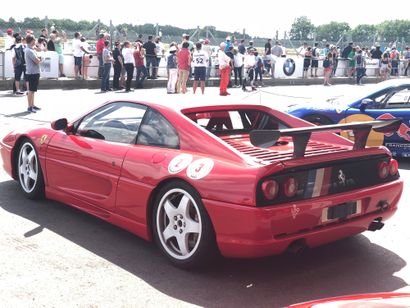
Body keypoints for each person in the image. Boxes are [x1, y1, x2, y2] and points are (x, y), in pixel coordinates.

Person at [24, 35, 42, 113]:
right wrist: (41, 59)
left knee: (33, 90)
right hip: (32, 73)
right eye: (34, 40)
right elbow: (37, 61)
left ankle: (32, 105)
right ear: (31, 41)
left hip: (33, 72)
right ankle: (29, 107)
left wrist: (39, 59)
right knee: (31, 90)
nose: (35, 42)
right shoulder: (29, 50)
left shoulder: (31, 49)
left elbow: (37, 58)